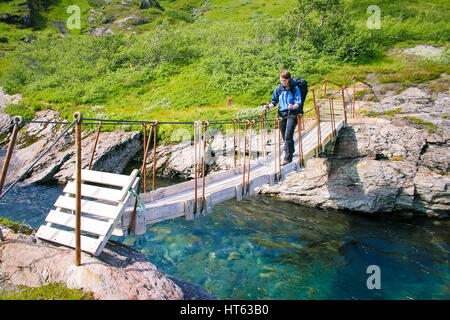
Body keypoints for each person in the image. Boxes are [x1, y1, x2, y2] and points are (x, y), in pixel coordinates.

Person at [265, 69, 302, 165]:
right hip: (282, 114)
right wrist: (268, 106)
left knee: (288, 135)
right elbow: (274, 102)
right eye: (281, 81)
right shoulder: (278, 89)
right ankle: (291, 149)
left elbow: (299, 102)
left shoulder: (295, 88)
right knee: (284, 136)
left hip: (292, 113)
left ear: (288, 79)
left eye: (284, 81)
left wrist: (293, 106)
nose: (283, 83)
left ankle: (287, 158)